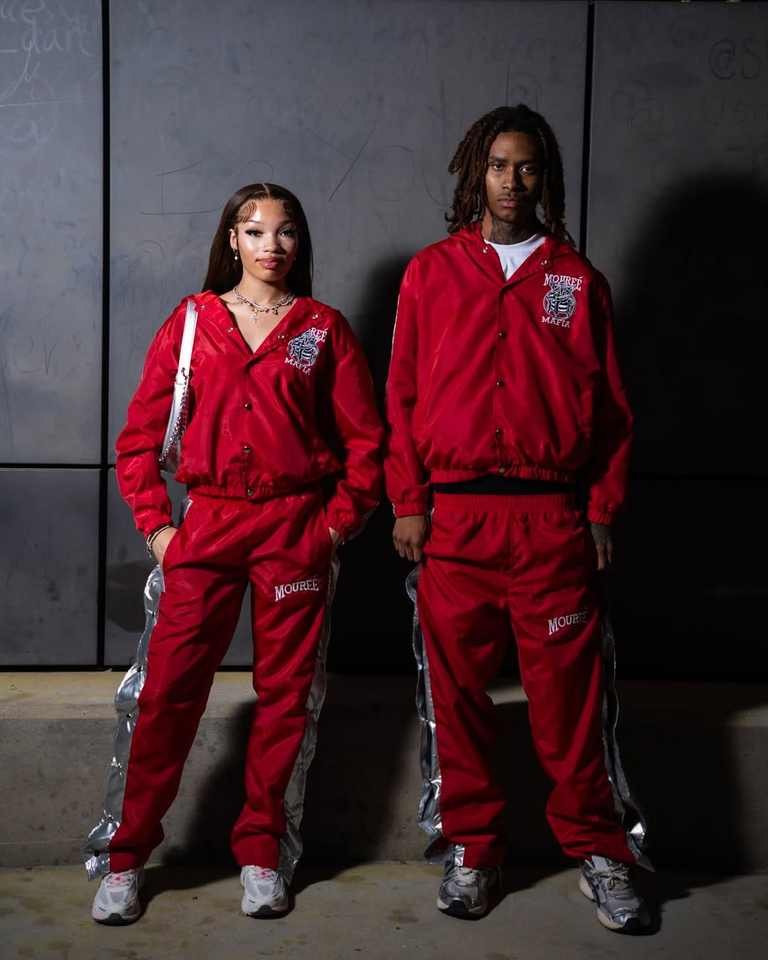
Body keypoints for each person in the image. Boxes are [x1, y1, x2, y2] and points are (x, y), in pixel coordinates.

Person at [84, 182, 383, 924]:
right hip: (208, 527)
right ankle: (125, 858)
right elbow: (137, 442)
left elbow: (367, 447)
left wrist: (332, 528)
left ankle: (261, 853)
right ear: (232, 240)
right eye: (255, 231)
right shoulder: (192, 322)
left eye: (286, 232)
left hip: (293, 529)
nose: (271, 246)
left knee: (286, 697)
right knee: (166, 696)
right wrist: (159, 530)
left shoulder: (323, 330)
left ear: (300, 243)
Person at [384, 105, 651, 932]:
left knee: (569, 703)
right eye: (498, 165)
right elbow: (401, 396)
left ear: (546, 177)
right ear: (477, 172)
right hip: (456, 522)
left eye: (527, 166)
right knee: (459, 699)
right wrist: (408, 501)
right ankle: (474, 849)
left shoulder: (577, 281)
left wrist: (599, 510)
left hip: (550, 523)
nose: (512, 181)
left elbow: (612, 412)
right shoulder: (431, 273)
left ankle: (600, 851)